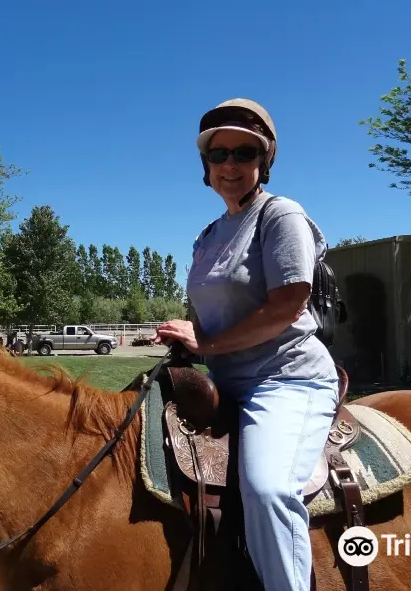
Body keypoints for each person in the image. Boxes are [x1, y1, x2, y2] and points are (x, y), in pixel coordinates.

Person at [151, 99, 339, 591]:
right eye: (219, 155)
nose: (230, 164)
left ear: (263, 161)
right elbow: (211, 315)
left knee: (268, 489)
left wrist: (208, 344)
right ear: (206, 166)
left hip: (286, 378)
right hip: (226, 381)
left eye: (244, 152)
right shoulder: (207, 235)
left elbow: (286, 305)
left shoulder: (280, 215)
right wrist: (189, 336)